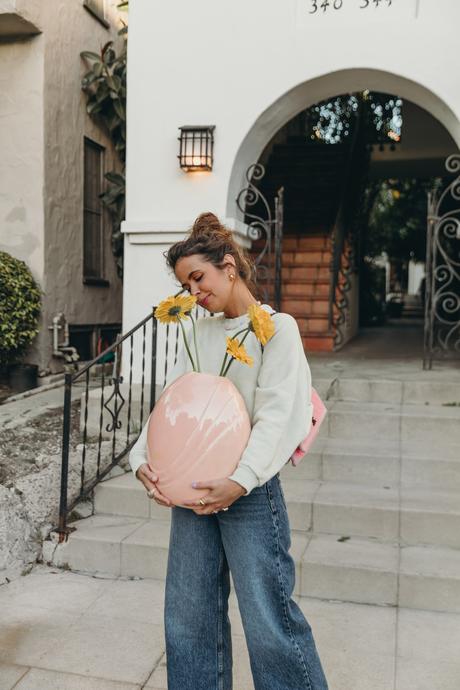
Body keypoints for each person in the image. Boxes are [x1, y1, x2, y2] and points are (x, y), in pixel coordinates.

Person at [129, 212, 329, 690]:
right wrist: (143, 462)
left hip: (251, 494)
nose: (194, 293)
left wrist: (240, 479)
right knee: (188, 617)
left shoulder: (276, 329)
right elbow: (171, 400)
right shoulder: (198, 331)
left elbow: (280, 417)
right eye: (186, 285)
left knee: (269, 622)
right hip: (194, 494)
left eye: (198, 277)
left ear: (229, 266)